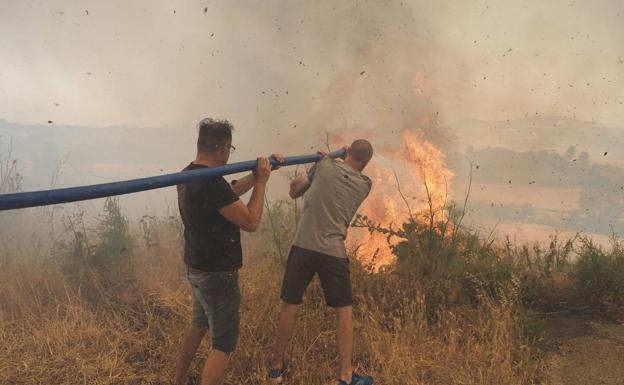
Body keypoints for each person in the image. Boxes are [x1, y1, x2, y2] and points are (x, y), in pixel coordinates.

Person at [173, 118, 283, 385]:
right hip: (217, 273)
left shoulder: (189, 173)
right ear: (222, 148)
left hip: (196, 266)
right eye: (230, 150)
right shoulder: (212, 184)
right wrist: (262, 184)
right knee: (223, 345)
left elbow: (229, 194)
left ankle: (179, 379)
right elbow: (251, 222)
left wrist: (258, 173)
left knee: (199, 324)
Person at [268, 139, 375, 385]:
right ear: (366, 162)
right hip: (333, 251)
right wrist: (327, 161)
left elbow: (294, 191)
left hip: (303, 245)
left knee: (290, 304)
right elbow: (345, 175)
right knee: (344, 310)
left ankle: (276, 369)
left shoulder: (324, 166)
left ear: (346, 151)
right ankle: (345, 376)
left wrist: (321, 163)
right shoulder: (365, 184)